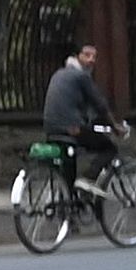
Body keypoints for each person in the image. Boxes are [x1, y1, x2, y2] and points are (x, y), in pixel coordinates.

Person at [40, 40, 116, 175]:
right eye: (87, 55)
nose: (91, 60)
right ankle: (90, 179)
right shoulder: (81, 76)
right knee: (109, 148)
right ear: (77, 56)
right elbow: (100, 105)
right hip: (71, 129)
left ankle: (69, 192)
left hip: (51, 129)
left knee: (69, 158)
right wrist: (115, 126)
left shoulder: (59, 73)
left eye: (94, 56)